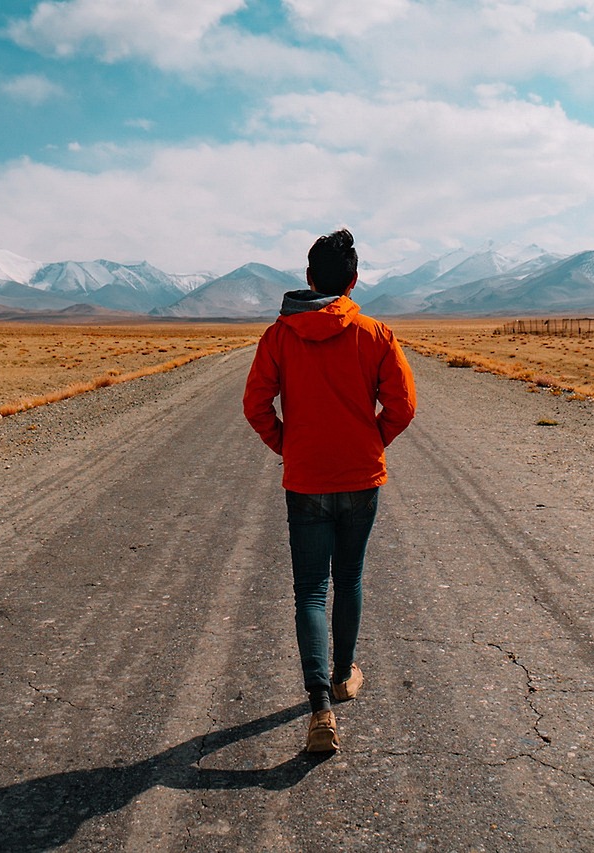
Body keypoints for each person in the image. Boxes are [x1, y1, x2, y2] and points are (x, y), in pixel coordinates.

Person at [243, 229, 417, 753]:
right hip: (361, 478)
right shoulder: (375, 333)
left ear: (309, 279)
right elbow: (403, 406)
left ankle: (319, 709)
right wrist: (371, 441)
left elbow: (256, 406)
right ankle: (343, 675)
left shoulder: (279, 336)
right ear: (354, 281)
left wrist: (288, 447)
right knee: (350, 577)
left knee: (311, 590)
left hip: (307, 481)